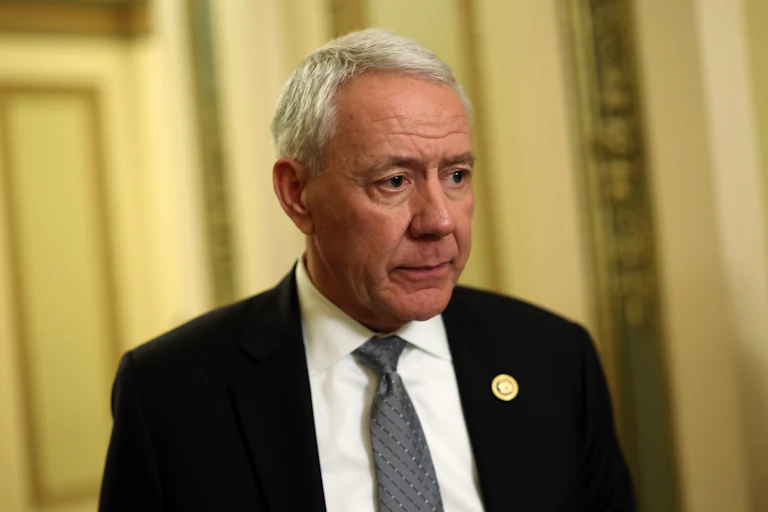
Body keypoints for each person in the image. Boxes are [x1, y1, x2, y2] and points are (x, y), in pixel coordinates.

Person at [99, 29, 634, 511]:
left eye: (455, 175)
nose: (439, 221)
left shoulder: (554, 358)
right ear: (296, 193)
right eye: (394, 181)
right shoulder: (171, 392)